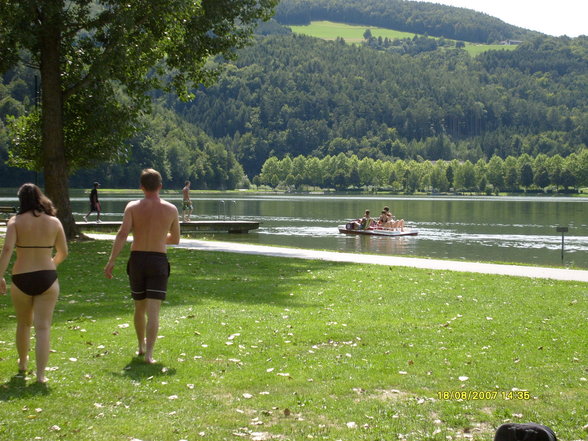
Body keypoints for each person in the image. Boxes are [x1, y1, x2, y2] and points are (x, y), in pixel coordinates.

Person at [104, 169, 180, 364]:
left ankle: (140, 346)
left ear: (141, 187)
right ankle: (149, 355)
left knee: (139, 307)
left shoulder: (132, 207)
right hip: (158, 260)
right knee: (153, 311)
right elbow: (176, 239)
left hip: (137, 259)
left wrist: (112, 260)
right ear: (160, 186)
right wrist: (159, 237)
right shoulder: (171, 209)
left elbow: (122, 234)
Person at [0, 184, 68, 383]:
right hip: (47, 277)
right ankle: (41, 375)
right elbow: (63, 252)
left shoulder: (15, 221)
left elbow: (7, 250)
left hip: (21, 276)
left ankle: (22, 363)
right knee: (43, 327)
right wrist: (51, 265)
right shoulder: (54, 222)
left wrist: (0, 275)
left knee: (24, 323)